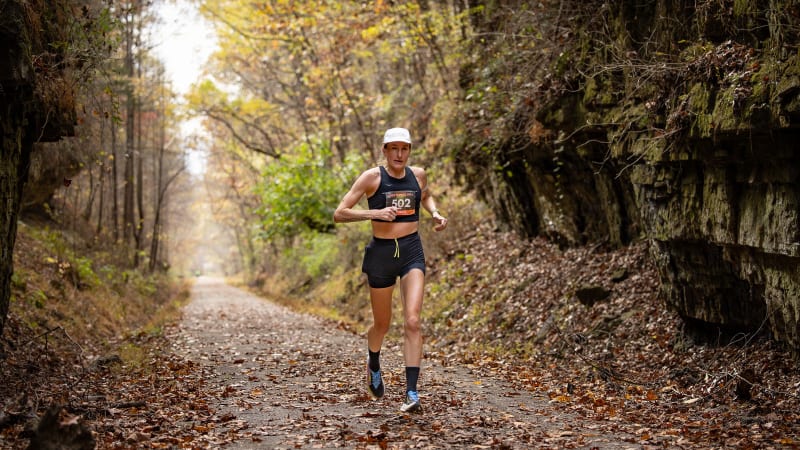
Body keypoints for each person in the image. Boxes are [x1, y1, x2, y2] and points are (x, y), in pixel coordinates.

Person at [333, 127, 448, 413]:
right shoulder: (372, 178)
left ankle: (411, 392)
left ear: (409, 150)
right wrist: (375, 213)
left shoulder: (418, 175)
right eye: (393, 148)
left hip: (411, 251)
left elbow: (426, 195)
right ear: (384, 150)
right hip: (381, 254)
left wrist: (434, 212)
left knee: (412, 321)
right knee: (382, 324)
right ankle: (374, 362)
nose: (399, 154)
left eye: (404, 148)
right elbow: (340, 213)